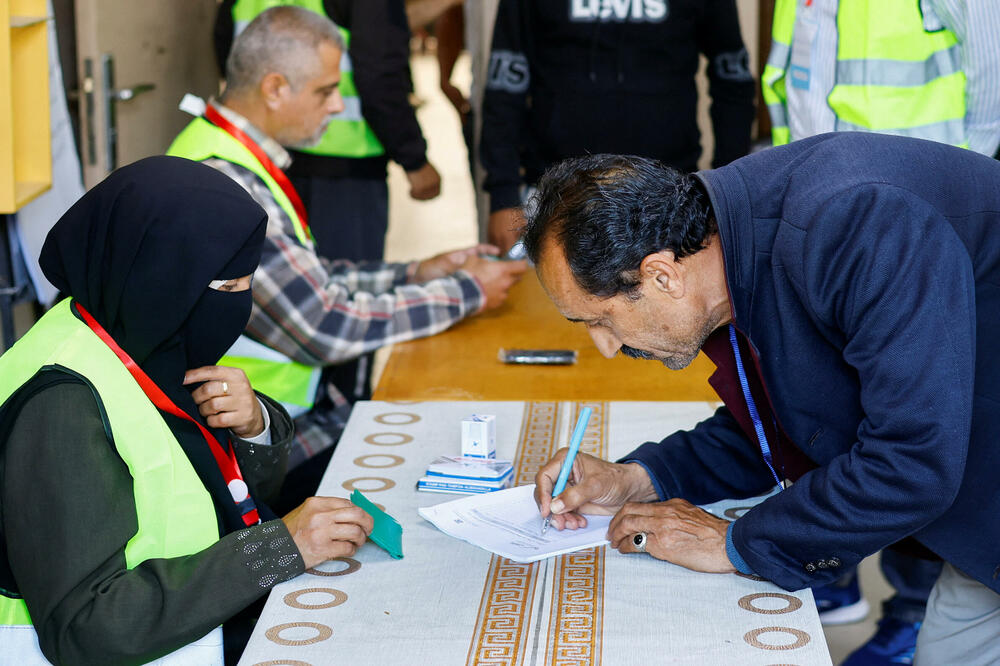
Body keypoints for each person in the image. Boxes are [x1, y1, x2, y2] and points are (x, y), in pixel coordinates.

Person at [523, 134, 1000, 665]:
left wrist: (736, 543)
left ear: (661, 274)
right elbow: (802, 416)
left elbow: (911, 462)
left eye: (601, 320)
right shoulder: (735, 235)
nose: (607, 347)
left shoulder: (856, 223)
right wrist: (642, 477)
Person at [0, 157, 374, 665]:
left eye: (246, 284)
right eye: (226, 289)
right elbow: (86, 627)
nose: (238, 308)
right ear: (161, 278)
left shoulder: (139, 334)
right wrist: (278, 548)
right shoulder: (60, 406)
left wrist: (253, 426)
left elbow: (216, 502)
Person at [169, 6, 527, 506]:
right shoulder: (228, 184)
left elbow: (309, 280)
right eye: (324, 91)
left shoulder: (234, 156)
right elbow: (325, 323)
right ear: (274, 88)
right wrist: (467, 291)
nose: (338, 106)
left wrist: (419, 271)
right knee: (427, 466)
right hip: (242, 446)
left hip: (268, 415)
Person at [762, 3, 1000, 661]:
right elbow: (784, 80)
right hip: (828, 223)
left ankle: (910, 610)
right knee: (859, 399)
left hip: (922, 218)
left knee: (930, 421)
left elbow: (991, 67)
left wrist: (954, 176)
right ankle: (838, 571)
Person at [480, 0, 756, 252]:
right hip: (556, 198)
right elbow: (504, 87)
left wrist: (724, 195)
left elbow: (733, 83)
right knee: (540, 306)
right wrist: (503, 196)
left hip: (668, 197)